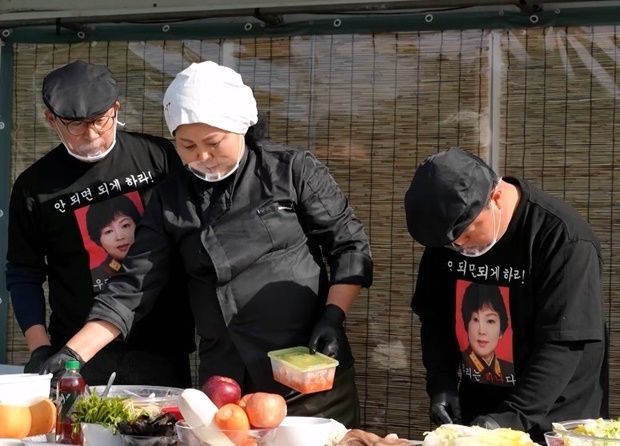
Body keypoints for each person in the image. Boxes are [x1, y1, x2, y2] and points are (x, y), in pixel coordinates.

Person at [39, 60, 373, 427]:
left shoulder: (292, 171)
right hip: (225, 382)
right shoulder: (170, 199)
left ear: (241, 126)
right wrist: (72, 353)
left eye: (214, 143)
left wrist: (332, 316)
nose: (201, 157)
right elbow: (131, 288)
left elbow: (349, 246)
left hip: (306, 371)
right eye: (187, 145)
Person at [6, 60, 195, 387]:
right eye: (75, 125)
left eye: (99, 120)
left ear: (116, 108)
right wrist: (40, 347)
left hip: (162, 340)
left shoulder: (157, 156)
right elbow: (24, 271)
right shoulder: (34, 186)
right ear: (51, 120)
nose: (91, 134)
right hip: (77, 349)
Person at [404, 147, 606, 441]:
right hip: (480, 418)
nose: (463, 249)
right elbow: (434, 320)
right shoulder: (447, 238)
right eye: (453, 245)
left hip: (557, 423)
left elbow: (562, 344)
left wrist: (511, 419)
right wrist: (442, 384)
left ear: (495, 198)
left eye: (469, 235)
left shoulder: (563, 239)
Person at [459, 281, 514, 386]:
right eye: (475, 319)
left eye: (490, 321)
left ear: (501, 330)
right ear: (467, 325)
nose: (482, 331)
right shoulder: (460, 364)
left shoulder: (509, 369)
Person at [85, 194, 141, 288]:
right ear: (98, 239)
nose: (119, 237)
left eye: (125, 225)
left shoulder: (158, 254)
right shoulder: (95, 277)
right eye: (108, 231)